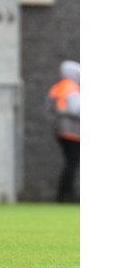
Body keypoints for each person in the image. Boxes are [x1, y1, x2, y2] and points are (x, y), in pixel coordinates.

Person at [47, 60, 80, 203]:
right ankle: (67, 194)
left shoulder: (57, 87)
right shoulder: (70, 87)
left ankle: (64, 193)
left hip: (60, 130)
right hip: (72, 131)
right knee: (72, 162)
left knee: (70, 161)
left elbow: (48, 106)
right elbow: (76, 109)